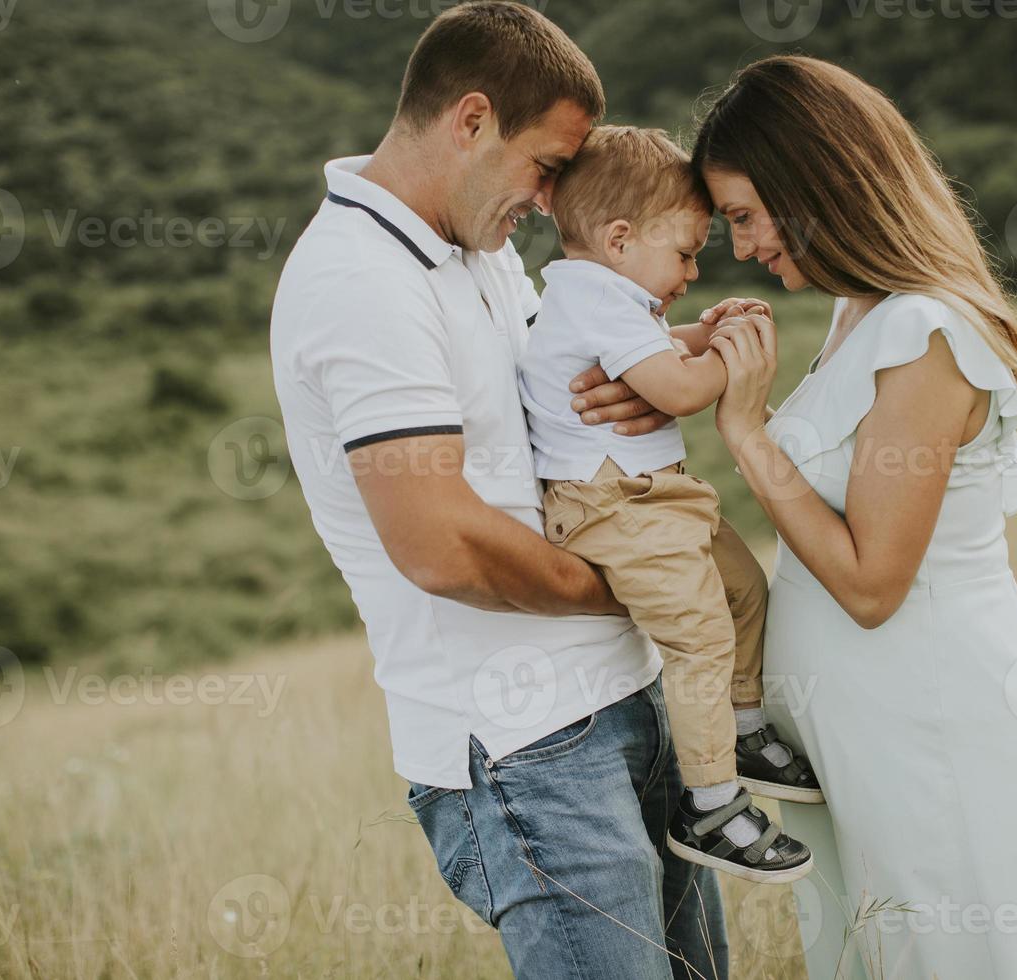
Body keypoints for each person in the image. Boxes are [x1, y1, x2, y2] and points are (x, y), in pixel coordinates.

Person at [269, 4, 727, 977]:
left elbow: (551, 409)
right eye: (547, 167)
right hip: (527, 740)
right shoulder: (360, 281)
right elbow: (444, 543)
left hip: (626, 693)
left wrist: (659, 371)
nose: (555, 196)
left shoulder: (479, 249)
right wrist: (635, 584)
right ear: (470, 120)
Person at [682, 54, 1017, 978]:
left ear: (811, 184)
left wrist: (748, 433)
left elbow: (870, 585)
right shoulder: (857, 317)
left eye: (744, 215)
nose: (739, 247)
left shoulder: (926, 333)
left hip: (945, 737)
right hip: (874, 743)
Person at [518, 124, 820, 885]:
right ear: (621, 238)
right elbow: (680, 389)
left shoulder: (611, 296)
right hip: (613, 505)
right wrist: (734, 358)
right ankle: (711, 803)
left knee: (745, 592)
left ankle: (742, 727)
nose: (692, 271)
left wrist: (700, 331)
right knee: (698, 637)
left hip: (659, 499)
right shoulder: (598, 301)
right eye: (685, 252)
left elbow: (658, 349)